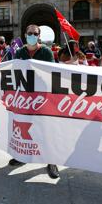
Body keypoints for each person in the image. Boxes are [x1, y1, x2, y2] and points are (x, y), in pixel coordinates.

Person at [8, 24, 60, 180]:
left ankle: (51, 161)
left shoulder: (46, 51)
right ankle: (21, 156)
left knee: (46, 129)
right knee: (22, 126)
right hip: (24, 97)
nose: (32, 35)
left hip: (42, 97)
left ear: (39, 36)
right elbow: (14, 71)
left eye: (35, 33)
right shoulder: (19, 52)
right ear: (25, 35)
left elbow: (51, 72)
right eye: (29, 33)